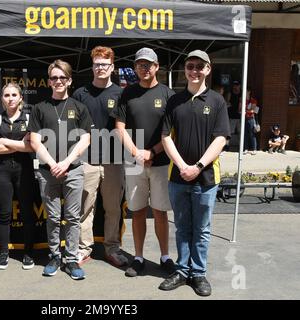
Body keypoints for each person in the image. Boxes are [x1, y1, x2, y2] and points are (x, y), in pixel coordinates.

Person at [160, 50, 230, 297]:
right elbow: (165, 137)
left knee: (201, 228)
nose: (194, 70)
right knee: (182, 226)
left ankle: (198, 273)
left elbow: (220, 139)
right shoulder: (174, 101)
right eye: (190, 66)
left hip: (207, 178)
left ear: (208, 70)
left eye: (200, 66)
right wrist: (182, 167)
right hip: (178, 177)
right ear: (185, 70)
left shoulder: (217, 101)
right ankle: (182, 270)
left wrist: (198, 166)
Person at [113, 47, 175, 277]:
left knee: (160, 212)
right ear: (135, 67)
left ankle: (165, 256)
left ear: (157, 67)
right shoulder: (127, 93)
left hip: (159, 162)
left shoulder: (168, 95)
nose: (144, 68)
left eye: (148, 64)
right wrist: (136, 152)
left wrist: (152, 152)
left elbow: (171, 131)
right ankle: (138, 257)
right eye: (140, 64)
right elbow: (119, 127)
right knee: (137, 211)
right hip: (135, 163)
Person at [29, 59, 92, 280]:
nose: (58, 81)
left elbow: (85, 139)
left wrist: (65, 163)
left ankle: (72, 259)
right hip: (47, 171)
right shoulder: (39, 108)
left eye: (62, 77)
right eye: (54, 78)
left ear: (69, 80)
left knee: (73, 217)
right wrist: (53, 164)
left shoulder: (79, 107)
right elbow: (35, 141)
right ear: (49, 81)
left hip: (73, 170)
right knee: (53, 217)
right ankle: (55, 256)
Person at [72, 46, 127, 267]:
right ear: (92, 66)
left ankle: (112, 248)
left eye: (105, 64)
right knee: (85, 208)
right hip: (87, 160)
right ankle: (84, 249)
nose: (100, 68)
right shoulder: (80, 94)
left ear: (112, 67)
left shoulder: (121, 94)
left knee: (113, 208)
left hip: (114, 160)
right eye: (97, 64)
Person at [0, 82, 36, 270]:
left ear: (20, 98)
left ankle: (28, 253)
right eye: (6, 95)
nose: (10, 98)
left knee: (27, 213)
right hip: (2, 172)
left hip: (24, 171)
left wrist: (5, 141)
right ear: (2, 99)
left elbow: (31, 146)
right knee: (4, 214)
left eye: (14, 95)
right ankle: (3, 253)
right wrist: (19, 145)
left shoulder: (29, 119)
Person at [243, 87, 259, 155]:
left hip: (251, 119)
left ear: (249, 92)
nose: (245, 92)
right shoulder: (242, 99)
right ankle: (246, 149)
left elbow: (254, 110)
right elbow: (240, 109)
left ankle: (254, 149)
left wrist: (245, 111)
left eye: (246, 91)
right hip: (244, 119)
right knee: (245, 134)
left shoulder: (253, 100)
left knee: (252, 134)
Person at [227, 80, 241, 148]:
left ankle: (240, 145)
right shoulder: (230, 93)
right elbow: (227, 102)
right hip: (231, 115)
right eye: (234, 85)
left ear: (239, 86)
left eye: (237, 85)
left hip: (239, 116)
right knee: (230, 132)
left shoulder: (241, 94)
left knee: (240, 132)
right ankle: (227, 145)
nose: (236, 86)